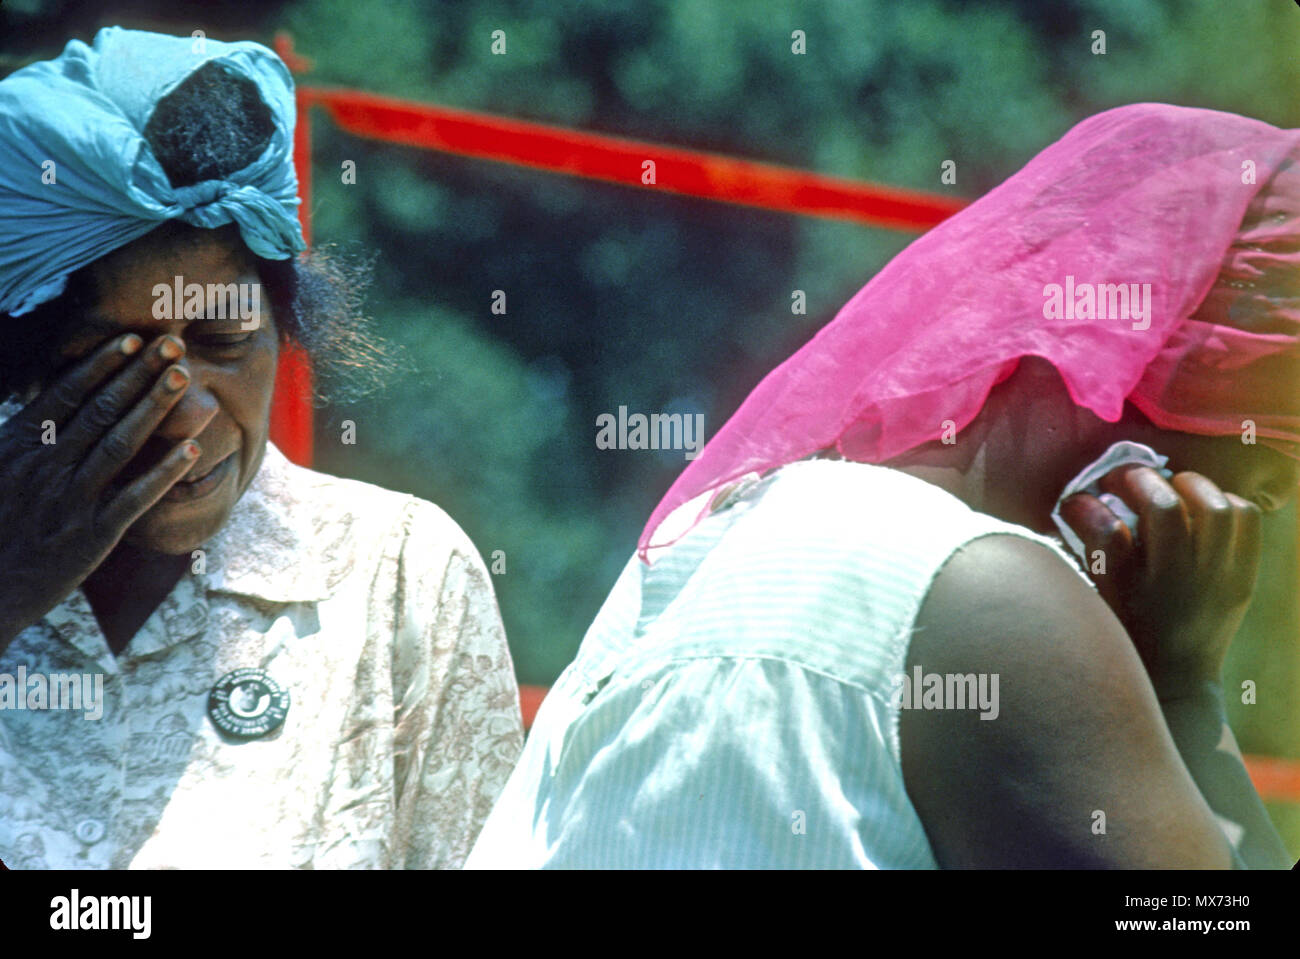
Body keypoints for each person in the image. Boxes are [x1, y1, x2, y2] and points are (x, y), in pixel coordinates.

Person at [467, 103, 1300, 869]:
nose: (1241, 534)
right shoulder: (998, 600)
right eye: (1258, 489)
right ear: (1179, 390)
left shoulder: (699, 540)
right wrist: (1184, 687)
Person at [0, 27, 523, 869]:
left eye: (222, 340)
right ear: (27, 365)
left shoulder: (400, 580)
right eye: (120, 362)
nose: (183, 413)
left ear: (283, 331)